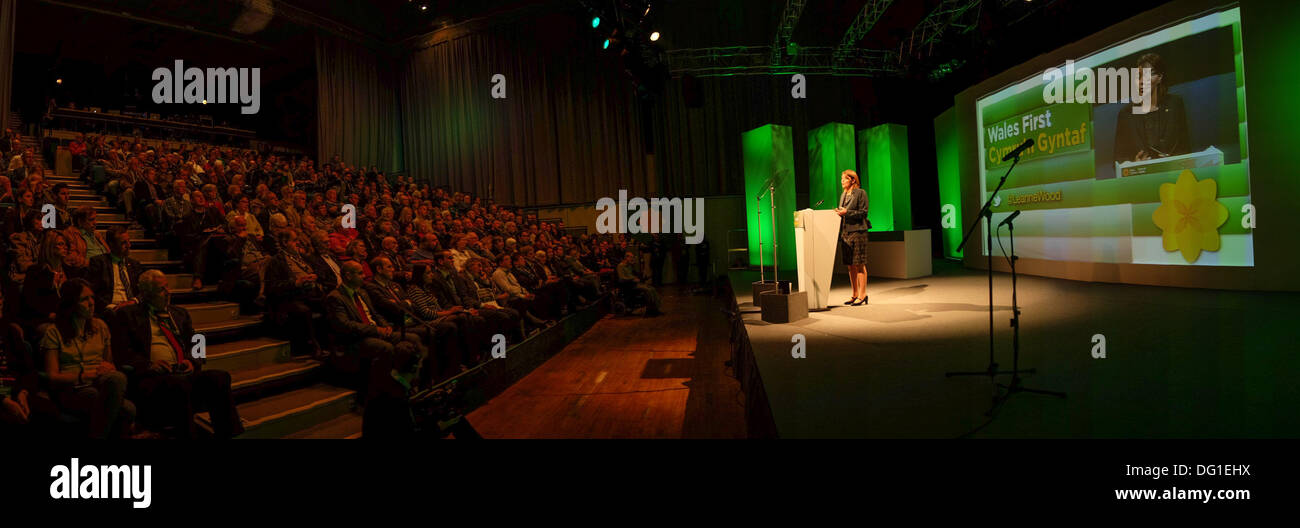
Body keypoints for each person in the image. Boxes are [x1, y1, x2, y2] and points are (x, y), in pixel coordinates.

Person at [111, 270, 242, 439]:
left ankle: (228, 434)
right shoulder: (128, 315)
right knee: (179, 384)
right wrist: (149, 366)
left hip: (182, 370)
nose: (168, 293)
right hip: (152, 376)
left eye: (167, 287)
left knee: (220, 377)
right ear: (146, 294)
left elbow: (198, 341)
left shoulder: (179, 313)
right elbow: (122, 352)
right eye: (161, 290)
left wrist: (192, 361)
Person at [40, 279, 135, 438]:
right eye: (84, 299)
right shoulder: (54, 332)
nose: (91, 303)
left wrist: (108, 368)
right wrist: (84, 375)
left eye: (92, 298)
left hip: (99, 382)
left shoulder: (101, 327)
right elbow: (52, 376)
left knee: (117, 378)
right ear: (71, 303)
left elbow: (108, 363)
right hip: (72, 387)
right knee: (125, 409)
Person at [325, 261, 427, 401]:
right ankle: (386, 393)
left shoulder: (362, 293)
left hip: (374, 331)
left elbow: (375, 314)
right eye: (360, 273)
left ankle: (413, 384)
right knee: (386, 348)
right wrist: (376, 329)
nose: (364, 276)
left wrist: (385, 326)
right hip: (355, 339)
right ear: (348, 276)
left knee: (413, 339)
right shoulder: (335, 297)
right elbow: (345, 325)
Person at [1114, 52, 1190, 164]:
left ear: (1159, 78)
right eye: (1138, 77)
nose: (1141, 82)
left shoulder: (1175, 104)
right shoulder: (1126, 114)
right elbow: (1118, 159)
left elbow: (1185, 148)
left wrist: (1173, 160)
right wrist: (1134, 163)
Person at [86, 226, 143, 318]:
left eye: (129, 241)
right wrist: (112, 307)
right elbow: (93, 291)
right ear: (111, 244)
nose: (129, 245)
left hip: (133, 306)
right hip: (111, 310)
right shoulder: (99, 263)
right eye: (123, 243)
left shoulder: (134, 265)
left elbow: (144, 291)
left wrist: (133, 301)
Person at [836, 169, 870, 305]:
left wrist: (846, 212)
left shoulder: (861, 193)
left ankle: (863, 295)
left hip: (858, 231)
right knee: (850, 265)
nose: (842, 181)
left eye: (845, 179)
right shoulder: (843, 195)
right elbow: (844, 213)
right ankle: (854, 294)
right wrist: (839, 212)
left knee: (859, 263)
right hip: (845, 232)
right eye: (841, 179)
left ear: (853, 180)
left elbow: (863, 212)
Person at [616, 250, 663, 316]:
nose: (632, 259)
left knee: (652, 289)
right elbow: (622, 278)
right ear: (626, 258)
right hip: (628, 285)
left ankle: (655, 308)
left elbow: (635, 274)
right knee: (648, 290)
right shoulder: (620, 266)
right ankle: (651, 310)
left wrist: (634, 265)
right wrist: (632, 279)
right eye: (631, 257)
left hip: (634, 283)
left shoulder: (629, 265)